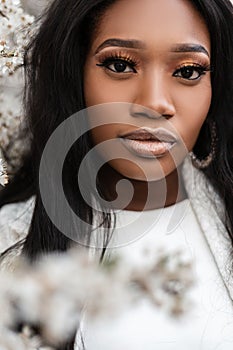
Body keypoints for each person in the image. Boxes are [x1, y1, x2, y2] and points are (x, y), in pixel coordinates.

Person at [0, 0, 233, 349]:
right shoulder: (10, 241)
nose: (154, 103)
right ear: (74, 75)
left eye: (187, 71)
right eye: (120, 65)